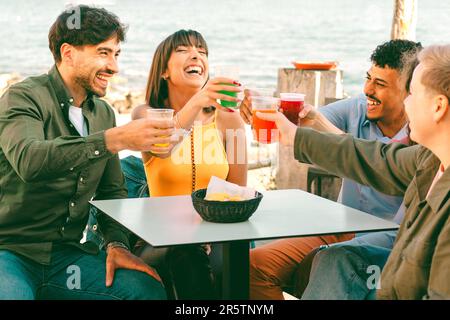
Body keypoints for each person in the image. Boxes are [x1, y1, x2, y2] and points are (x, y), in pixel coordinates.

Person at [0, 5, 173, 300]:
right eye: (103, 53)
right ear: (68, 53)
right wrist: (110, 140)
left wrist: (117, 244)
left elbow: (111, 190)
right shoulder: (23, 97)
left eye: (116, 54)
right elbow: (30, 160)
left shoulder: (103, 113)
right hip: (10, 252)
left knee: (145, 291)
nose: (114, 67)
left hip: (67, 257)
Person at [255, 44, 450, 299]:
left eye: (412, 94)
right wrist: (295, 136)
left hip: (384, 251)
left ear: (438, 107)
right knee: (336, 259)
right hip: (354, 242)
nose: (407, 103)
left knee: (334, 260)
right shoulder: (429, 160)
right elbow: (372, 158)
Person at [131, 30, 247, 299]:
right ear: (164, 72)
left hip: (216, 235)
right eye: (183, 50)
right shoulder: (145, 115)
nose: (196, 54)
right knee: (186, 249)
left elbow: (239, 193)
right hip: (160, 239)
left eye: (202, 51)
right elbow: (164, 146)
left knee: (236, 262)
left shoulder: (230, 121)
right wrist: (200, 100)